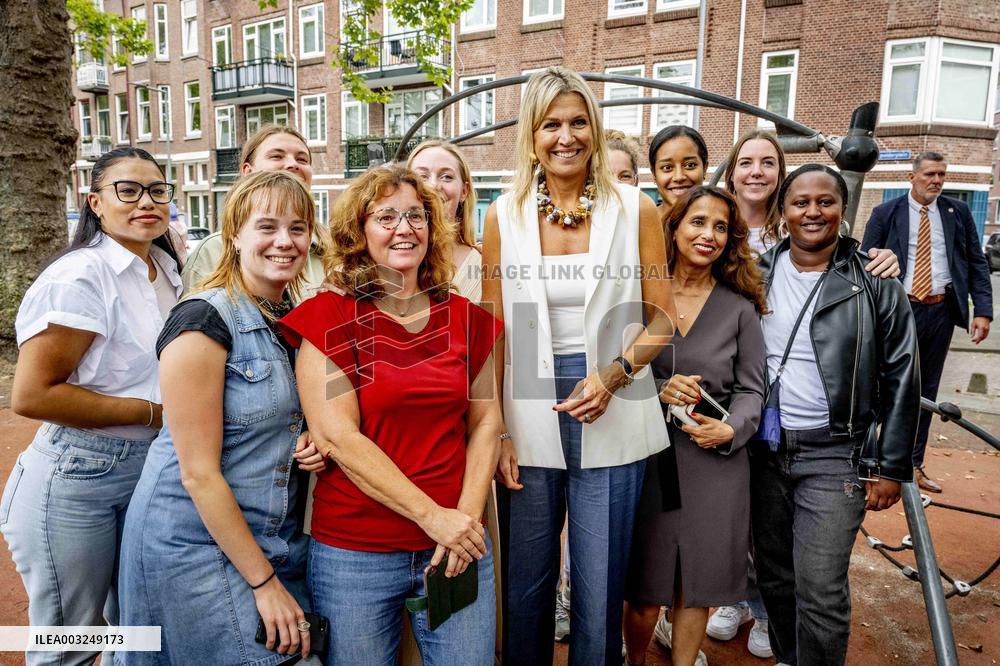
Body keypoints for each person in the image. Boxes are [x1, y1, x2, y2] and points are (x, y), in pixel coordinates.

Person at [482, 66, 676, 666]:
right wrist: (497, 430)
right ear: (531, 135)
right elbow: (491, 333)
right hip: (527, 403)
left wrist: (615, 375)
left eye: (577, 122)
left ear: (593, 126)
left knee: (601, 582)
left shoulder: (636, 209)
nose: (565, 137)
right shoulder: (502, 215)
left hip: (613, 398)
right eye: (550, 125)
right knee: (526, 581)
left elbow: (663, 319)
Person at [278, 165, 503, 664]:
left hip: (457, 545)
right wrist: (433, 518)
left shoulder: (469, 320)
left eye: (416, 216)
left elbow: (487, 423)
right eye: (386, 217)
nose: (405, 228)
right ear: (359, 233)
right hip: (356, 552)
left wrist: (465, 521)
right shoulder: (330, 316)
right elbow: (337, 436)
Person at [117, 171, 326, 664]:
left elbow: (290, 412)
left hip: (272, 537)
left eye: (297, 228)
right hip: (195, 543)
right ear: (234, 235)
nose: (285, 241)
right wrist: (264, 582)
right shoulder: (203, 319)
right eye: (267, 227)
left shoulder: (295, 317)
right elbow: (198, 473)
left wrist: (313, 436)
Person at [2, 147, 181, 666]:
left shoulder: (167, 268)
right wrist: (154, 413)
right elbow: (32, 395)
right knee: (70, 643)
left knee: (137, 629)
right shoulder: (80, 276)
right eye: (128, 190)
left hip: (148, 469)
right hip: (79, 475)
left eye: (157, 190)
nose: (146, 201)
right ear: (95, 202)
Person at [753, 164, 920, 666]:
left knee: (820, 586)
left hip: (835, 453)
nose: (813, 211)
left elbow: (902, 373)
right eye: (800, 202)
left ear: (843, 210)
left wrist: (891, 465)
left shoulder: (874, 279)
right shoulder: (754, 273)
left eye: (825, 201)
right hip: (764, 450)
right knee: (775, 576)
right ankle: (789, 657)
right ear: (782, 211)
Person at [623, 187, 766, 666]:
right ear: (674, 227)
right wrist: (658, 389)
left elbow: (753, 389)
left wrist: (733, 430)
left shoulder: (740, 307)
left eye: (721, 227)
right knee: (644, 589)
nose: (709, 235)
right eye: (698, 222)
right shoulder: (641, 296)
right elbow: (613, 371)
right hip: (649, 457)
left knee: (695, 588)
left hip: (715, 463)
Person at [861, 151, 993, 493]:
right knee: (881, 385)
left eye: (941, 175)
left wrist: (983, 310)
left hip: (939, 311)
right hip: (897, 312)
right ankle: (869, 457)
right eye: (930, 174)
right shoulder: (886, 213)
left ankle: (913, 464)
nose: (936, 181)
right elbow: (864, 264)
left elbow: (976, 262)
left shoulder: (957, 212)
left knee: (925, 391)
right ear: (912, 177)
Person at [182, 124, 327, 296]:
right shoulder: (212, 251)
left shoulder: (335, 248)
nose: (292, 164)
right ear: (248, 171)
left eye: (302, 159)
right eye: (276, 156)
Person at [407, 139, 483, 301]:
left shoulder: (486, 264)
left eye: (447, 177)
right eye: (422, 176)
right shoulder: (389, 257)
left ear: (464, 191)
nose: (434, 185)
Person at [648, 125, 708, 213]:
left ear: (705, 168)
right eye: (667, 167)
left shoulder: (723, 219)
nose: (679, 177)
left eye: (690, 165)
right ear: (654, 174)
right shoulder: (638, 221)